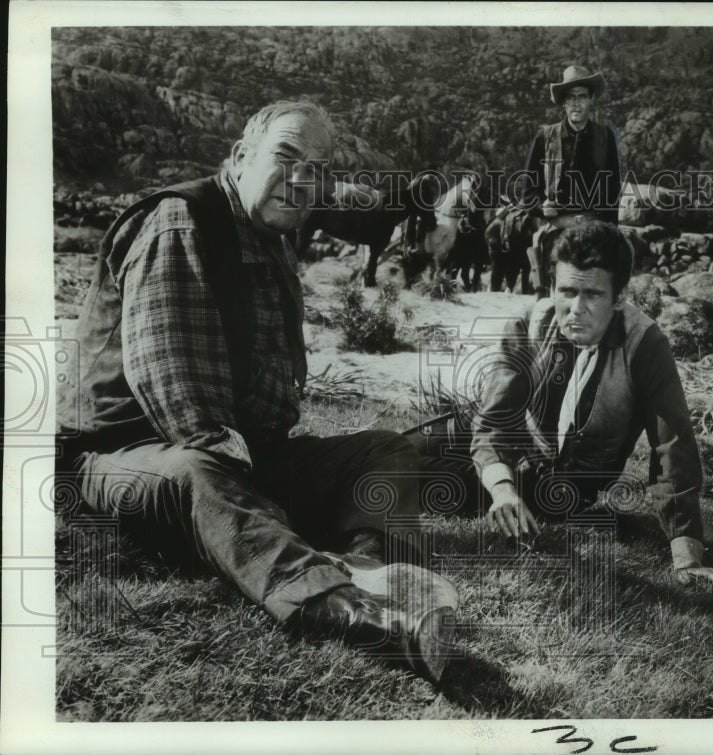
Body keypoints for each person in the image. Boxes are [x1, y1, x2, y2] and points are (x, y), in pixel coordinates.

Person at [59, 100, 456, 680]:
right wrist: (261, 477)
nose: (302, 181)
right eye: (287, 156)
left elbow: (275, 390)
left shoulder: (270, 236)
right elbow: (173, 385)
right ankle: (356, 613)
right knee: (200, 470)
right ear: (242, 156)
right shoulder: (181, 220)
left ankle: (366, 560)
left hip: (229, 447)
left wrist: (279, 458)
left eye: (317, 169)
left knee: (384, 448)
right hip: (122, 451)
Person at [414, 221, 713, 588]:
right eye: (567, 291)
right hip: (510, 447)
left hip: (563, 481)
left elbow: (673, 448)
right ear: (552, 288)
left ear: (620, 296)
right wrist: (501, 488)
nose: (576, 309)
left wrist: (686, 557)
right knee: (388, 448)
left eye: (593, 294)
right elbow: (495, 419)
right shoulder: (530, 323)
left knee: (411, 476)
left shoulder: (646, 344)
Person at [519, 65, 624, 293]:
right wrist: (540, 208)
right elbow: (527, 193)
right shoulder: (545, 137)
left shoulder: (605, 138)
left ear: (591, 100)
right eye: (571, 97)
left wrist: (610, 233)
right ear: (563, 103)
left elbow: (612, 191)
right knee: (549, 299)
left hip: (593, 233)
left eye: (582, 96)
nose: (576, 103)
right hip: (555, 231)